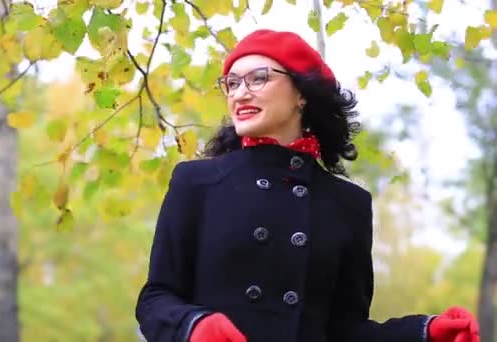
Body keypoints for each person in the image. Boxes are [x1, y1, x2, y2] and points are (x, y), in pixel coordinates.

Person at [134, 29, 480, 342]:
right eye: (233, 83)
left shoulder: (349, 203)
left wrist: (425, 332)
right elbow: (155, 300)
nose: (241, 93)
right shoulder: (196, 182)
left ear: (301, 93)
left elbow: (346, 331)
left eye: (258, 78)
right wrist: (194, 326)